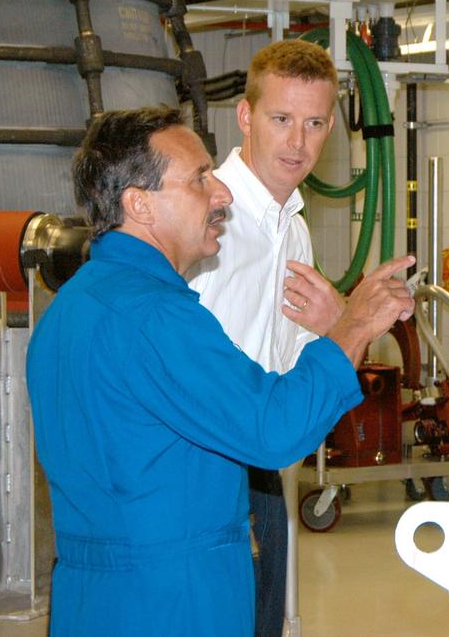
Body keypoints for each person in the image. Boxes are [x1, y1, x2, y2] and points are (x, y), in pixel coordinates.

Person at [27, 106, 414, 636]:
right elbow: (273, 429)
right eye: (199, 179)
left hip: (89, 599)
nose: (222, 193)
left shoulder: (69, 308)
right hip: (173, 602)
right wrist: (356, 324)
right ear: (138, 204)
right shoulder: (157, 317)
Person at [186, 39, 344, 636]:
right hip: (195, 473)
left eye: (314, 124)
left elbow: (291, 368)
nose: (298, 143)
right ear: (246, 117)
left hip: (262, 477)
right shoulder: (203, 222)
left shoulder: (294, 233)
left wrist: (337, 329)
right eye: (281, 120)